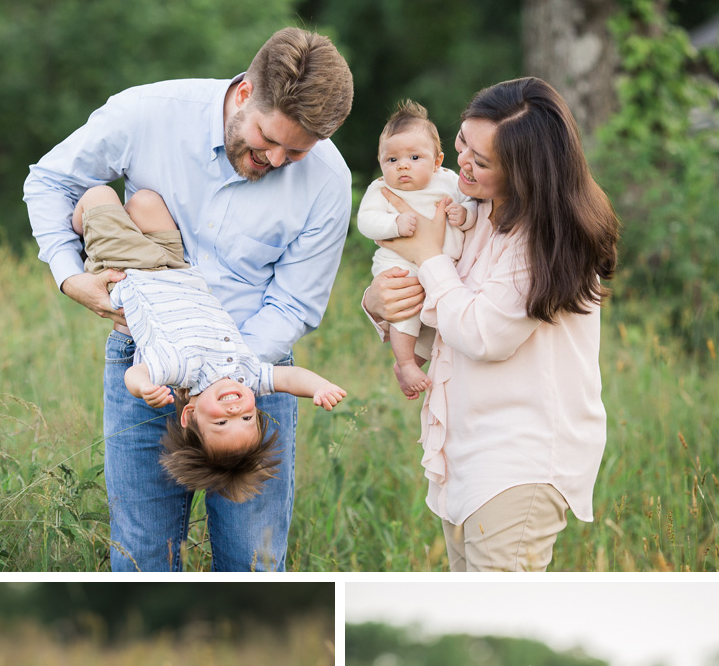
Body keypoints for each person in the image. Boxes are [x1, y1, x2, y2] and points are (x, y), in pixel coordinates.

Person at [24, 27, 353, 572]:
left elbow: (294, 305)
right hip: (144, 366)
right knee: (142, 552)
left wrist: (220, 377)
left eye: (296, 151)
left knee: (252, 560)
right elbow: (50, 181)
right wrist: (68, 276)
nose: (274, 159)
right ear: (246, 93)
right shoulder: (148, 114)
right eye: (267, 140)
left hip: (253, 376)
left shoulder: (327, 180)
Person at [362, 77, 619, 572]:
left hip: (518, 459)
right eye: (462, 144)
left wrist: (429, 256)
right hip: (465, 451)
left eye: (481, 162)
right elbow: (443, 323)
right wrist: (380, 302)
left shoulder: (542, 241)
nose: (462, 163)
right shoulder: (472, 214)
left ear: (527, 173)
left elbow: (483, 334)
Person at [72, 185, 345, 503]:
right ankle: (98, 230)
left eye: (220, 421)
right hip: (176, 268)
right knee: (146, 202)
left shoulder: (183, 370)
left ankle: (84, 236)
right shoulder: (248, 376)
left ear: (189, 415)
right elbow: (288, 378)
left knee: (99, 196)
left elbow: (135, 374)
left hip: (130, 272)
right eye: (246, 419)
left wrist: (143, 387)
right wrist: (318, 387)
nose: (234, 409)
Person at [356, 101, 476, 397]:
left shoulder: (448, 180)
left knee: (435, 324)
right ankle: (406, 361)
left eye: (414, 157)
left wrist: (466, 215)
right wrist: (394, 223)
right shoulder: (382, 189)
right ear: (381, 163)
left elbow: (470, 203)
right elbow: (366, 222)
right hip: (400, 265)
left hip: (444, 268)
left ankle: (413, 362)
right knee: (406, 309)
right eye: (392, 159)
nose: (403, 166)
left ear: (437, 161)